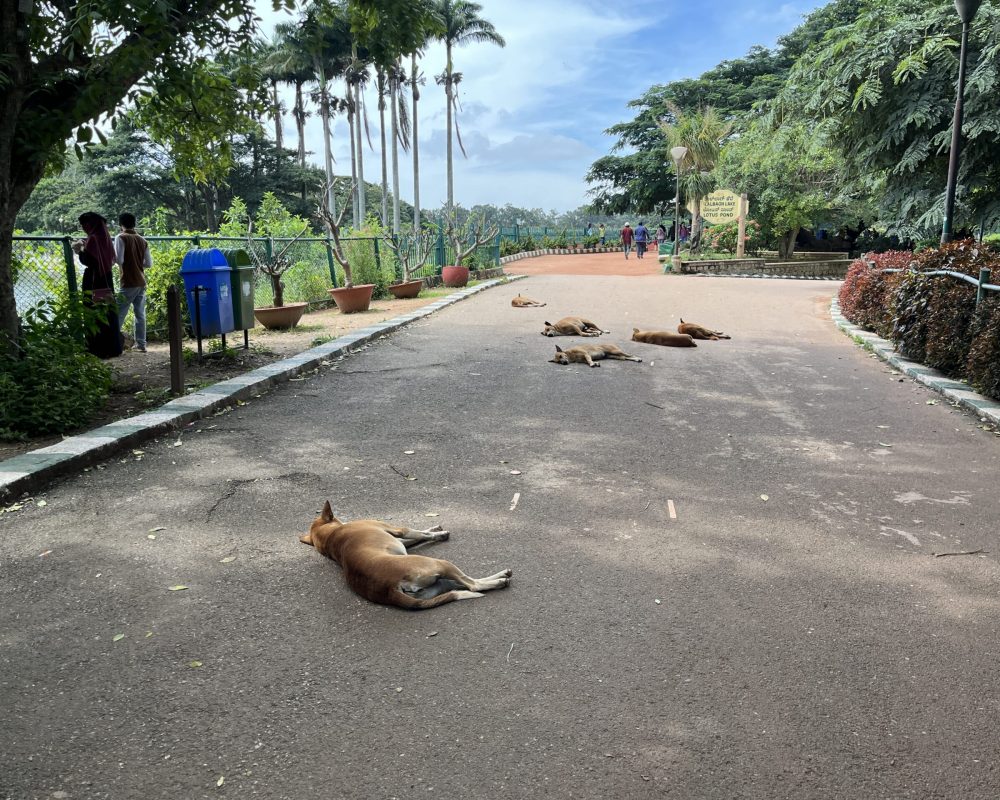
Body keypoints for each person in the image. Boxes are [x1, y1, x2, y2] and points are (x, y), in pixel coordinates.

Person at [74, 212, 123, 359]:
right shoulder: (104, 237)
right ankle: (112, 347)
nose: (83, 228)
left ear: (90, 225)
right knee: (107, 311)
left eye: (84, 225)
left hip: (94, 281)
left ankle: (97, 348)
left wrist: (79, 250)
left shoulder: (93, 239)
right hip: (106, 279)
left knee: (93, 311)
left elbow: (89, 260)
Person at [114, 212, 151, 352]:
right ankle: (141, 345)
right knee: (140, 314)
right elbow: (149, 264)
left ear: (120, 224)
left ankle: (113, 343)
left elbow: (120, 260)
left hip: (128, 281)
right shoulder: (142, 240)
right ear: (134, 223)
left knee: (119, 313)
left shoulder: (120, 237)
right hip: (141, 281)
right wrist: (137, 261)